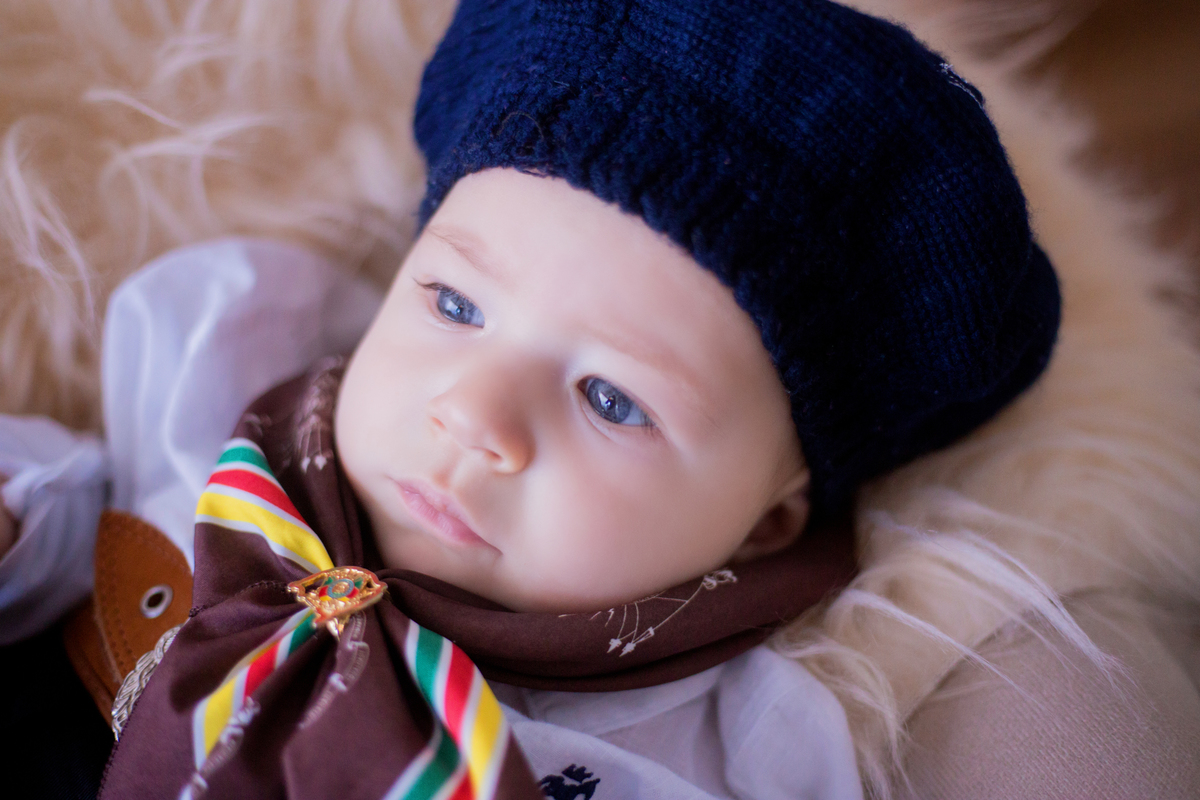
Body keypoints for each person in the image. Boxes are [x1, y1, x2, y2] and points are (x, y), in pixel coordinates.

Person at [0, 1, 1060, 798]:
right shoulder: (226, 372)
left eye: (611, 396)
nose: (476, 414)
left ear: (770, 514)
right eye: (455, 301)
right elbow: (76, 509)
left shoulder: (737, 737)